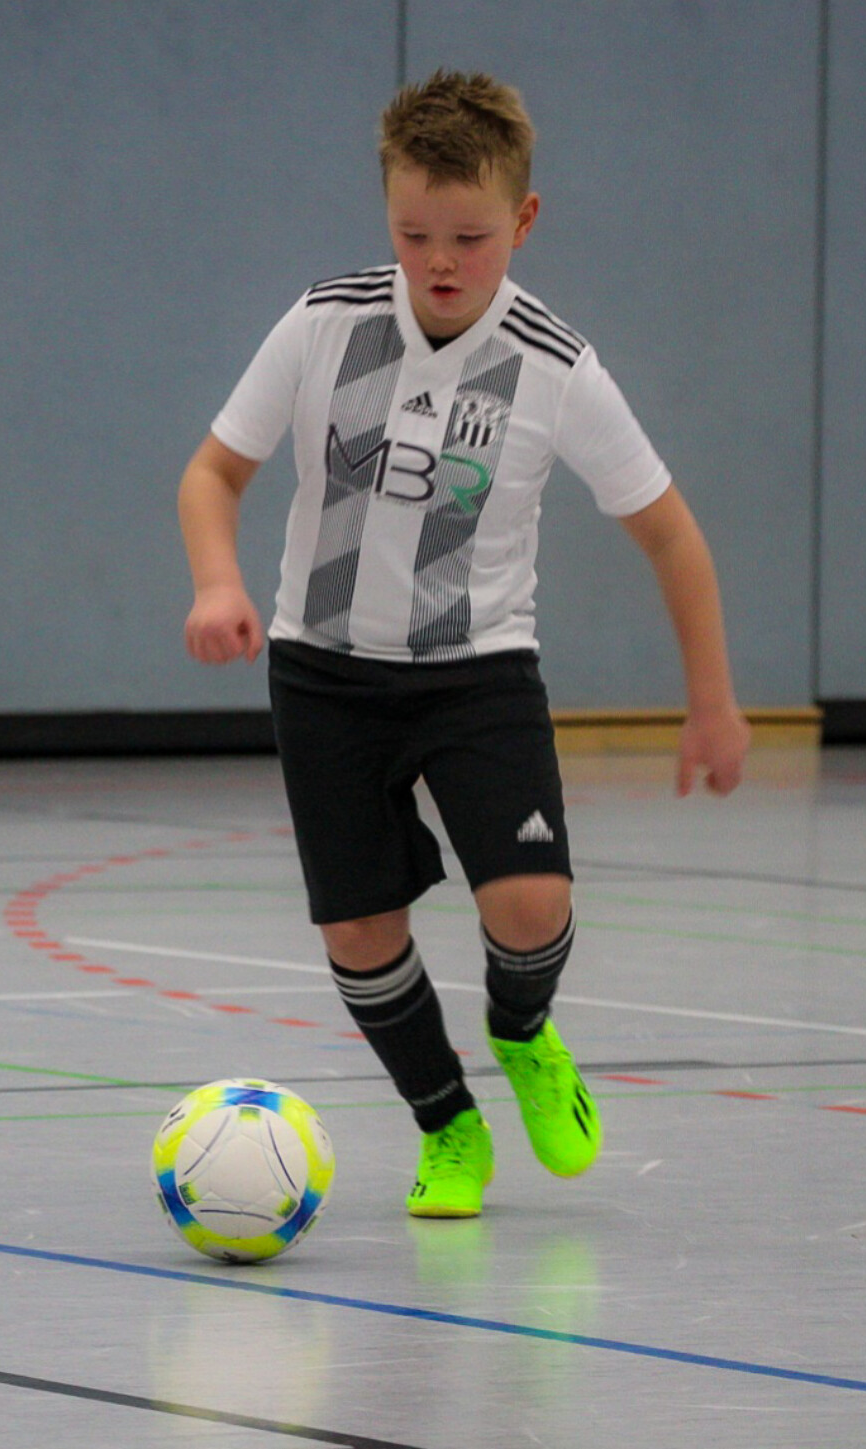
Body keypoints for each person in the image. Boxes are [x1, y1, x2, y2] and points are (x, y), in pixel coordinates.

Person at [176, 70, 750, 1218]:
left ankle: (522, 1030)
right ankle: (447, 1124)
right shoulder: (323, 324)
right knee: (358, 928)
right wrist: (218, 582)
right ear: (386, 213)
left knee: (529, 906)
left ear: (523, 221)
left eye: (470, 237)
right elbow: (213, 473)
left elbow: (672, 534)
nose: (440, 260)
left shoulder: (554, 366)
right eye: (414, 234)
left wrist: (713, 701)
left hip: (476, 671)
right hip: (323, 671)